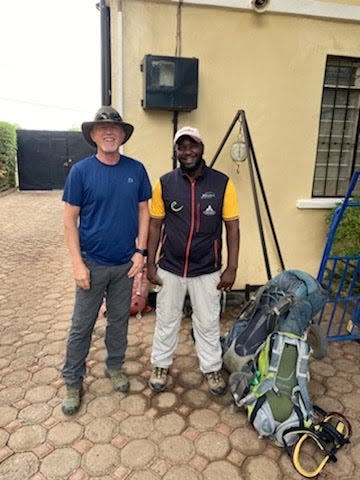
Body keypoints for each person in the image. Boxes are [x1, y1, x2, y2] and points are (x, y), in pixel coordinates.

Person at [61, 106, 151, 415]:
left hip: (125, 265)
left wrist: (141, 252)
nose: (109, 132)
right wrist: (77, 264)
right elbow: (70, 220)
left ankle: (114, 366)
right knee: (81, 325)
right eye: (103, 129)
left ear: (123, 134)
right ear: (94, 136)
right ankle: (73, 380)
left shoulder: (136, 170)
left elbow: (144, 211)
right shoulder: (81, 172)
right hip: (92, 264)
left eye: (115, 128)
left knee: (118, 322)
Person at [147, 126, 240, 396]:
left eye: (192, 146)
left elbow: (232, 228)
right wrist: (151, 264)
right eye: (181, 147)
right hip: (171, 268)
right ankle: (160, 365)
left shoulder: (222, 184)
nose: (187, 151)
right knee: (166, 319)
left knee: (208, 321)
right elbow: (155, 226)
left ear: (201, 148)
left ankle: (211, 368)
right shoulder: (164, 183)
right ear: (176, 152)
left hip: (207, 269)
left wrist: (231, 268)